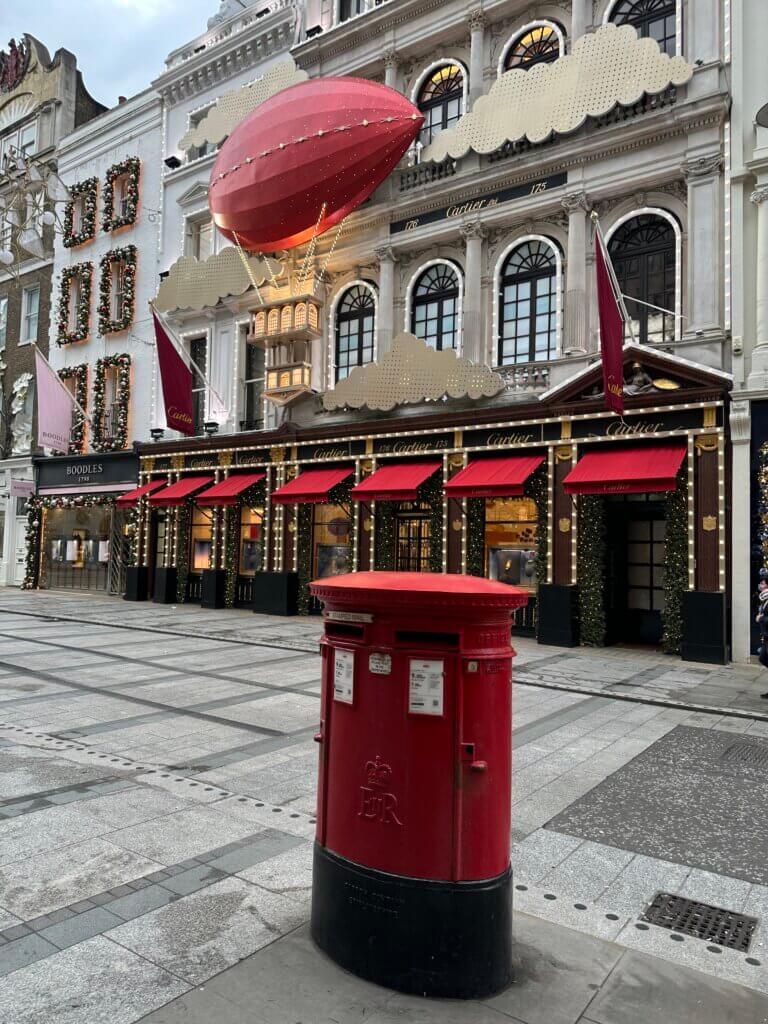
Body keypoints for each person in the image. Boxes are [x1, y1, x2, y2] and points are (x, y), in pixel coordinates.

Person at [757, 579, 768, 695]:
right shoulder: (763, 599)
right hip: (765, 636)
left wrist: (761, 618)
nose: (760, 585)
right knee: (762, 658)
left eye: (763, 583)